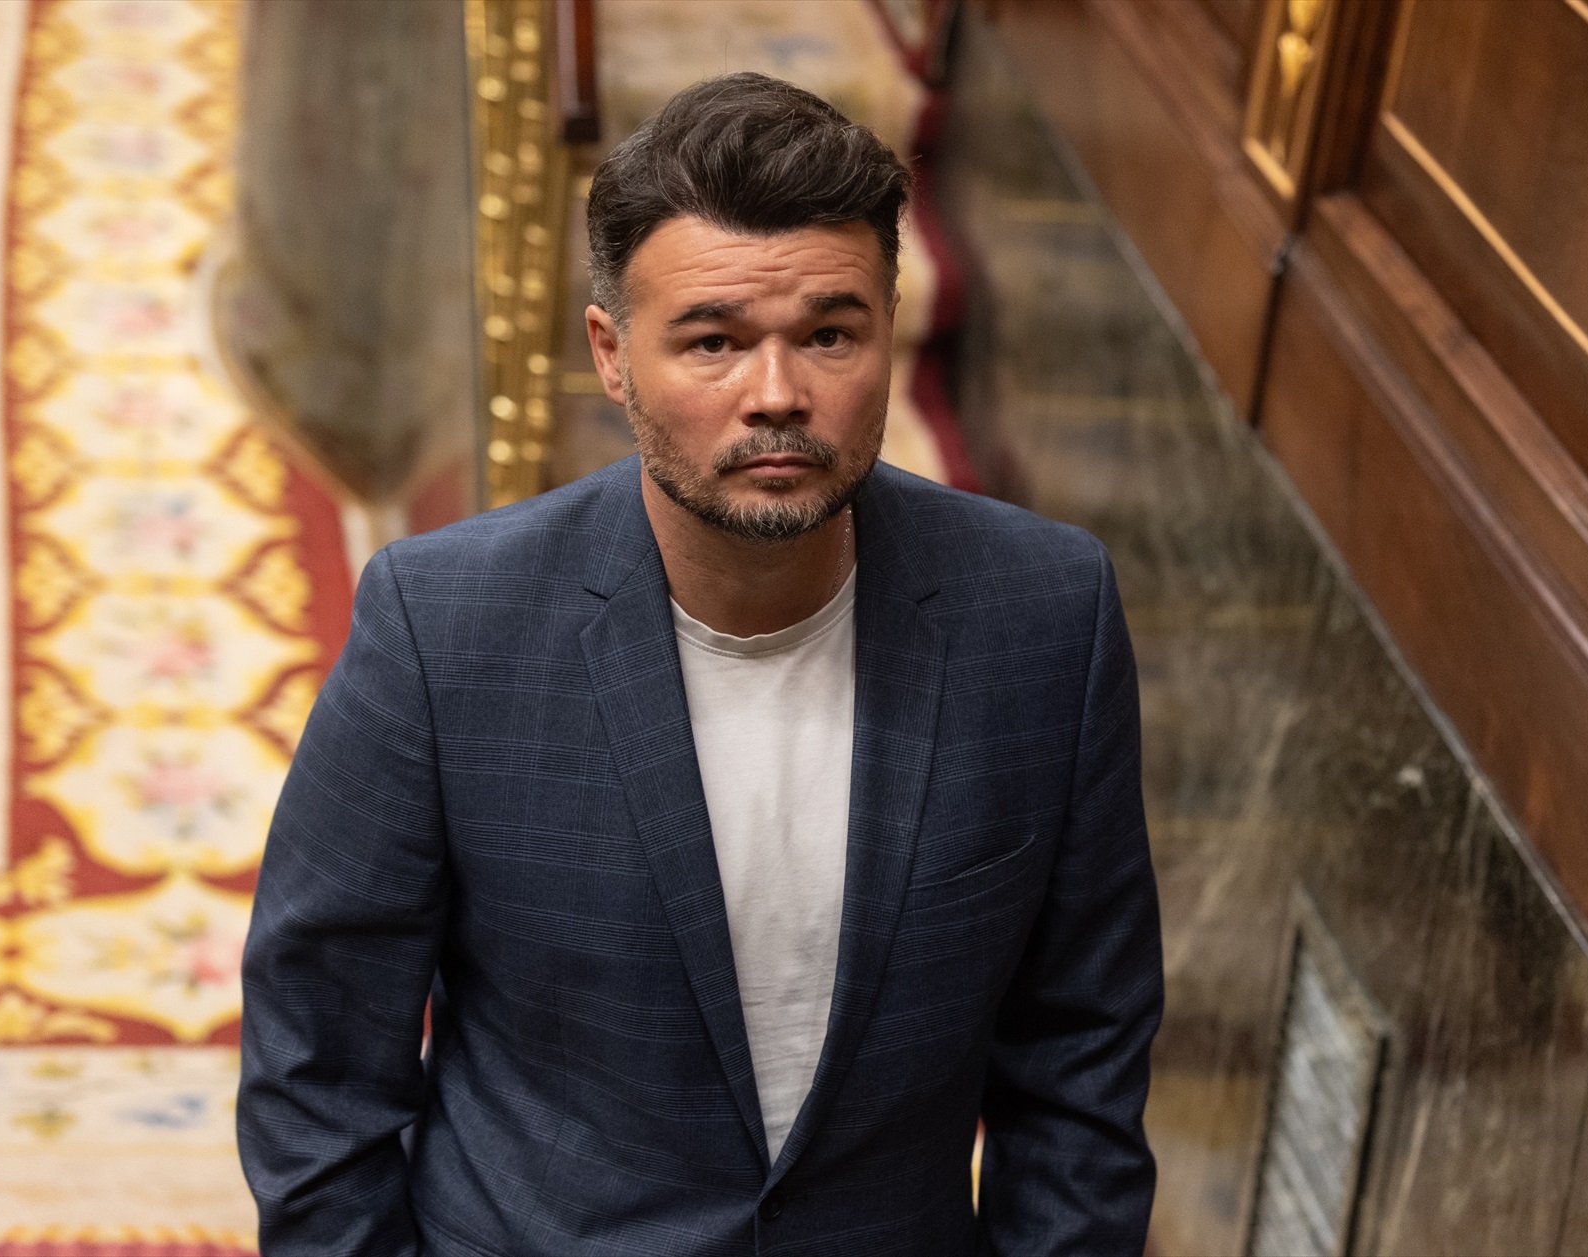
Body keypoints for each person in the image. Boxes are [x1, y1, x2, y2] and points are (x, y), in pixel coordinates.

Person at [237, 71, 1162, 1256]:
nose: (776, 396)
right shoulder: (444, 629)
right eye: (714, 343)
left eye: (830, 334)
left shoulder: (1046, 616)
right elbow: (318, 1060)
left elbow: (1081, 1060)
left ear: (888, 324)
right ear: (612, 356)